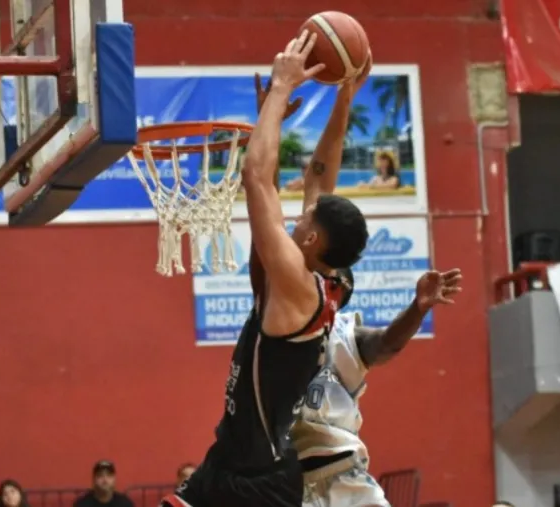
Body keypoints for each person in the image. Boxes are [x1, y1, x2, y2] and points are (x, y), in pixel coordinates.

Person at [162, 31, 369, 507]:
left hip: (258, 482)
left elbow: (256, 179)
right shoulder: (329, 277)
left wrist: (280, 88)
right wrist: (344, 97)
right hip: (231, 462)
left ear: (312, 240)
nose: (299, 215)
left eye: (306, 218)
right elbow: (320, 174)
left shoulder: (297, 286)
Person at [293, 267, 462, 507]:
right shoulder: (274, 329)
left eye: (327, 281)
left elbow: (386, 343)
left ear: (337, 295)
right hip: (287, 481)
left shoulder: (344, 333)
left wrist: (417, 309)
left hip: (342, 471)